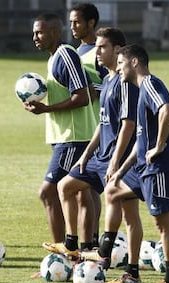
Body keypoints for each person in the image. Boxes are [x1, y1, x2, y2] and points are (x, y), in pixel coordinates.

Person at [43, 28, 143, 283]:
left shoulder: (126, 84)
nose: (96, 52)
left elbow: (128, 124)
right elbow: (102, 123)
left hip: (120, 158)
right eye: (96, 47)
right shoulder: (107, 80)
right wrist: (86, 155)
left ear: (118, 50)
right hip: (100, 156)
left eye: (102, 47)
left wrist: (115, 161)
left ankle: (131, 271)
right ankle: (72, 245)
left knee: (130, 215)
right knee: (66, 185)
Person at [105, 44, 169, 283]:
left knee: (163, 223)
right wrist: (120, 170)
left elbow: (166, 109)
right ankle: (108, 256)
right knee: (113, 191)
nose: (117, 68)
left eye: (120, 63)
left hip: (159, 167)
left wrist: (159, 146)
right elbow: (140, 139)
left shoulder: (149, 83)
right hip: (143, 169)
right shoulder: (140, 91)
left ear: (134, 62)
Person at [24, 13, 97, 246]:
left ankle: (61, 255)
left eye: (40, 32)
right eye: (34, 32)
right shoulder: (54, 57)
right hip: (65, 138)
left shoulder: (66, 55)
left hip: (74, 138)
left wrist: (46, 109)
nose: (35, 37)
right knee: (81, 194)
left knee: (48, 192)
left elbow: (83, 96)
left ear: (55, 32)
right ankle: (83, 251)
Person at [70, 2, 108, 248]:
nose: (72, 26)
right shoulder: (79, 50)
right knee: (89, 189)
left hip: (97, 127)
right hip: (85, 124)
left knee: (87, 189)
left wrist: (93, 90)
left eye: (77, 22)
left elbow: (117, 84)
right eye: (71, 22)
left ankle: (91, 241)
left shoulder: (101, 52)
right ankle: (93, 240)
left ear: (91, 23)